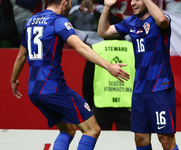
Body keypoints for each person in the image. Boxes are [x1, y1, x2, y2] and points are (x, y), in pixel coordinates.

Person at [10, 0, 130, 150]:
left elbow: (21, 56)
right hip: (54, 88)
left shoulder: (31, 21)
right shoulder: (58, 21)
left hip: (34, 91)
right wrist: (109, 66)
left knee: (68, 129)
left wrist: (13, 80)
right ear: (64, 2)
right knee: (92, 130)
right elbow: (80, 47)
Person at [97, 0, 179, 150]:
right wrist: (107, 7)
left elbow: (162, 20)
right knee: (140, 138)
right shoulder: (131, 22)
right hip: (139, 89)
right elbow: (103, 32)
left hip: (160, 87)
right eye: (131, 0)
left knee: (165, 139)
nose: (133, 3)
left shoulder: (160, 18)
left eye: (137, 0)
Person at [83, 39, 135, 130]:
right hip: (128, 105)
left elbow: (88, 80)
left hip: (101, 104)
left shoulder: (96, 48)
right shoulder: (134, 48)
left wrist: (90, 104)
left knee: (99, 141)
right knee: (128, 141)